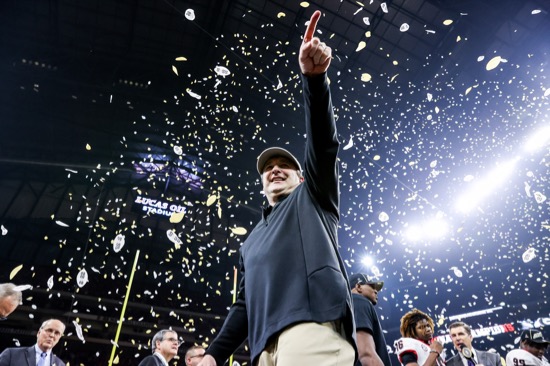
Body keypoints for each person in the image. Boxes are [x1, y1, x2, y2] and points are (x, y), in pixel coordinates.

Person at [197, 10, 356, 366]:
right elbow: (243, 305)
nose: (275, 170)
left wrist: (315, 82)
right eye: (268, 168)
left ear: (302, 177)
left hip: (311, 329)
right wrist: (213, 354)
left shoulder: (312, 196)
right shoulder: (250, 241)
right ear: (262, 183)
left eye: (284, 165)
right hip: (262, 349)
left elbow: (323, 145)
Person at [349, 273, 392, 366]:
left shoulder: (348, 305)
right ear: (358, 286)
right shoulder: (358, 300)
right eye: (372, 286)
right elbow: (366, 354)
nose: (376, 291)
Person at [0, 318, 66, 366]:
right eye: (49, 330)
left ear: (59, 338)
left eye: (57, 333)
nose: (52, 335)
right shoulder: (11, 354)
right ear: (39, 333)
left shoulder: (60, 364)